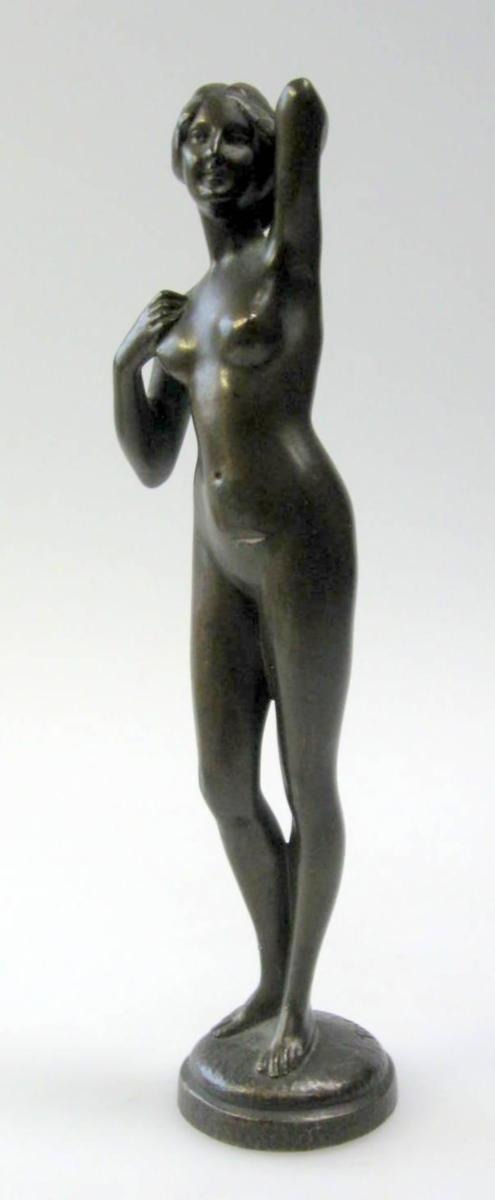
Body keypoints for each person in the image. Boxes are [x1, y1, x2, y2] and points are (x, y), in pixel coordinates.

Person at [113, 79, 356, 1079]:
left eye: (234, 141)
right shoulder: (186, 309)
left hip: (301, 540)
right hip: (216, 551)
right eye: (195, 141)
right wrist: (125, 367)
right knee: (223, 781)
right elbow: (151, 461)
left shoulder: (285, 265)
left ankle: (298, 1004)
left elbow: (305, 114)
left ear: (266, 160)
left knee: (307, 781)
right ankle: (267, 976)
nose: (211, 157)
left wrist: (286, 118)